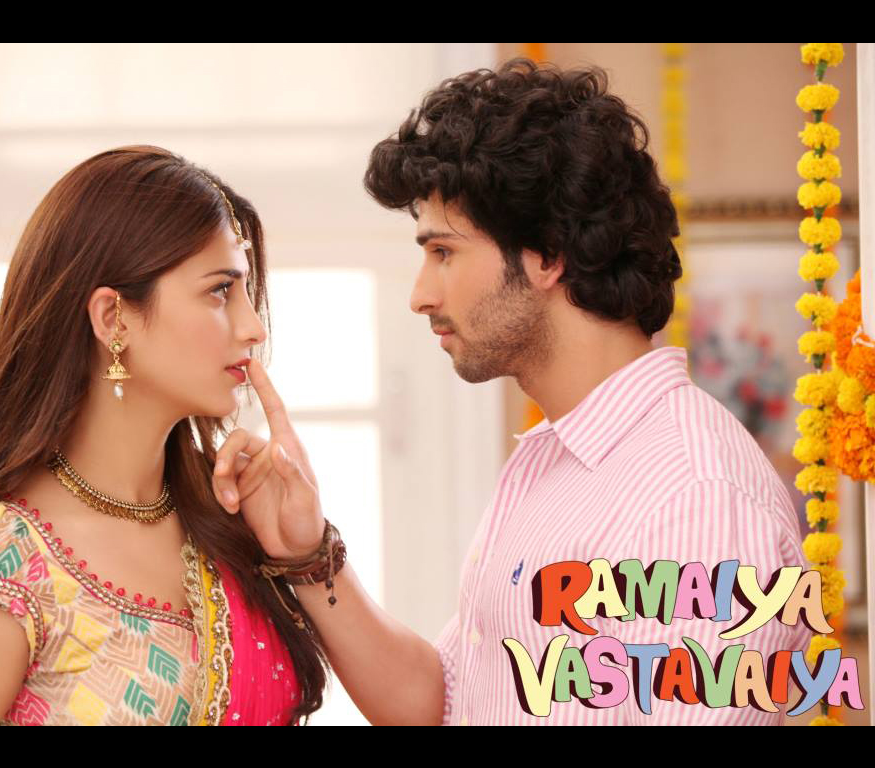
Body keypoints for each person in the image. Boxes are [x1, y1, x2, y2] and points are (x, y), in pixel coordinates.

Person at [210, 59, 814, 725]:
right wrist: (308, 554)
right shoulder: (555, 459)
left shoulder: (696, 502)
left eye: (443, 252)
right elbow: (443, 703)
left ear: (547, 254)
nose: (420, 295)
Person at [0, 146, 331, 725]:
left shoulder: (233, 519)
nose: (254, 327)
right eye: (220, 291)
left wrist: (309, 551)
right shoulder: (8, 555)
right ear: (114, 319)